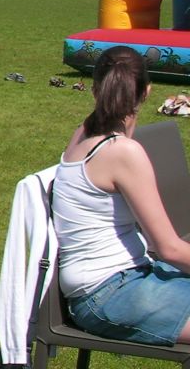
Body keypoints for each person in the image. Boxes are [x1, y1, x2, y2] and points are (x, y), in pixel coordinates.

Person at [53, 45, 190, 345]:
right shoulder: (123, 152)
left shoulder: (84, 132)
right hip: (108, 294)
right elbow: (168, 248)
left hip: (114, 281)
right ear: (147, 92)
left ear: (94, 90)